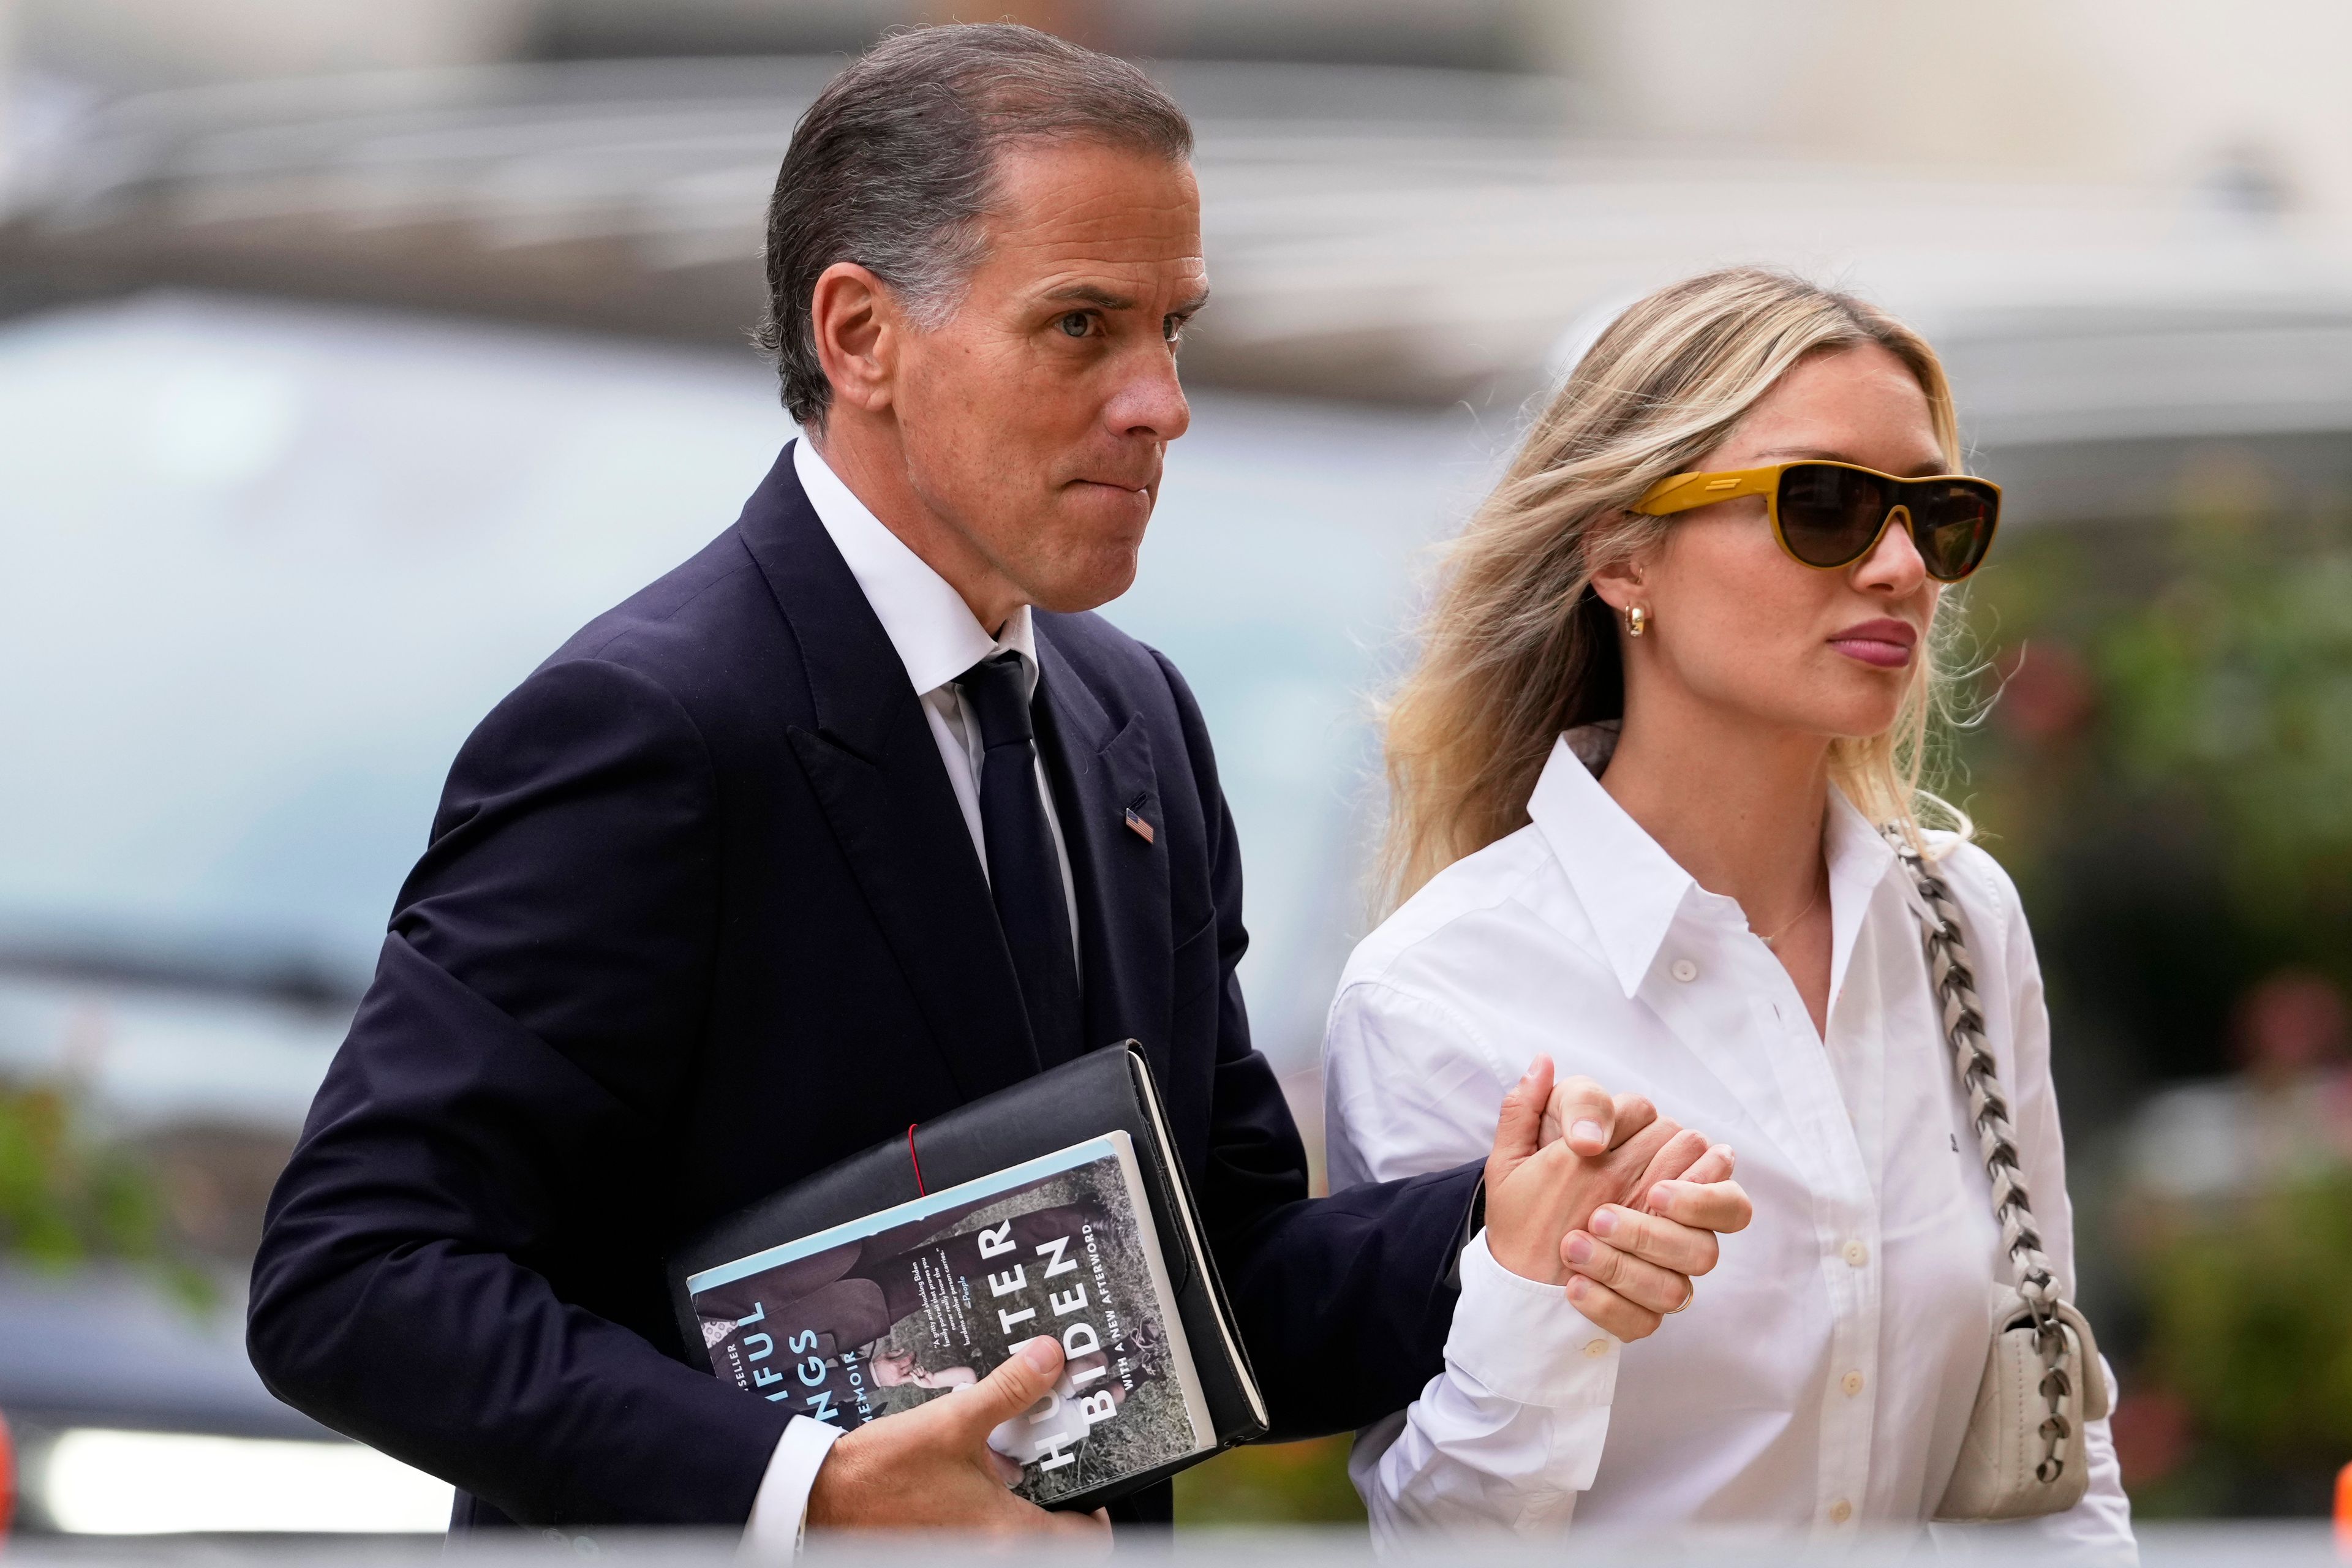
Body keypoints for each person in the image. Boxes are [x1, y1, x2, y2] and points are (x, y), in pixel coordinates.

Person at [244, 24, 1747, 1548]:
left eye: (1175, 328)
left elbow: (1203, 1282)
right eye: (1082, 326)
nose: (1160, 401)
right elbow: (353, 1275)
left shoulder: (1129, 713)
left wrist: (1491, 1239)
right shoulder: (653, 725)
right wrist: (810, 1495)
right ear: (860, 336)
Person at [1324, 268, 2136, 1552]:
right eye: (1821, 504)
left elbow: (2054, 1444)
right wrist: (1542, 1301)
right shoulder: (1441, 987)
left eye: (1937, 515)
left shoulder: (1960, 921)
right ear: (1622, 554)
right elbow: (1439, 1539)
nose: (1897, 565)